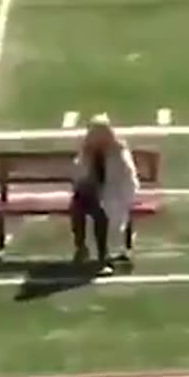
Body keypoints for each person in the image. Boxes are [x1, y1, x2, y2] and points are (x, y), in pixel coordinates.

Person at [68, 115, 139, 276]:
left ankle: (103, 256)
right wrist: (86, 183)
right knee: (77, 206)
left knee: (102, 212)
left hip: (114, 193)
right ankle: (81, 247)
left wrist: (102, 189)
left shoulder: (118, 152)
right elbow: (78, 173)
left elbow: (124, 177)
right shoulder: (87, 152)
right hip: (92, 193)